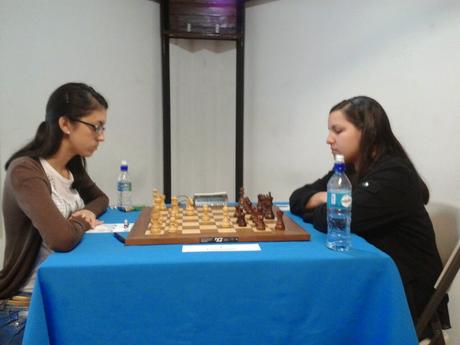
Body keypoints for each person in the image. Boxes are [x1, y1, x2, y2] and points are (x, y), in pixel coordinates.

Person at [289, 96, 449, 335]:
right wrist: (325, 198)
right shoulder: (350, 168)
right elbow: (297, 198)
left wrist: (326, 203)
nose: (328, 139)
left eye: (338, 130)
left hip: (403, 295)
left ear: (366, 131)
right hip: (371, 276)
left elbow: (328, 220)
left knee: (311, 303)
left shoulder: (394, 174)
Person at [0, 82, 109, 345]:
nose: (101, 136)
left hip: (61, 293)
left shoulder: (72, 166)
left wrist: (82, 213)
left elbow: (101, 199)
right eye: (96, 127)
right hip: (26, 306)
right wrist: (79, 222)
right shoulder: (26, 171)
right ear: (65, 124)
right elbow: (61, 239)